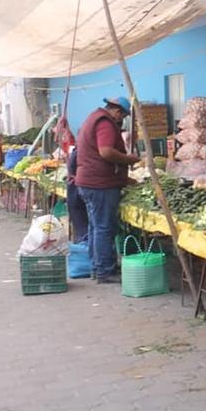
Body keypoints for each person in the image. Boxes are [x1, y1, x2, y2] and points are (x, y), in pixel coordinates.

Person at [75, 96, 140, 283]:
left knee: (95, 226)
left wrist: (124, 177)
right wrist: (130, 159)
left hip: (88, 182)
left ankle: (97, 267)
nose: (121, 120)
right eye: (123, 116)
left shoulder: (93, 117)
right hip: (100, 185)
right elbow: (105, 151)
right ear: (117, 111)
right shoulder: (105, 123)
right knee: (104, 227)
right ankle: (105, 270)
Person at [65, 147, 89, 245]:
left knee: (82, 229)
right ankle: (85, 251)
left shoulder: (77, 150)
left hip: (76, 190)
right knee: (84, 230)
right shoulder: (81, 152)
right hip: (77, 191)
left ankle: (84, 249)